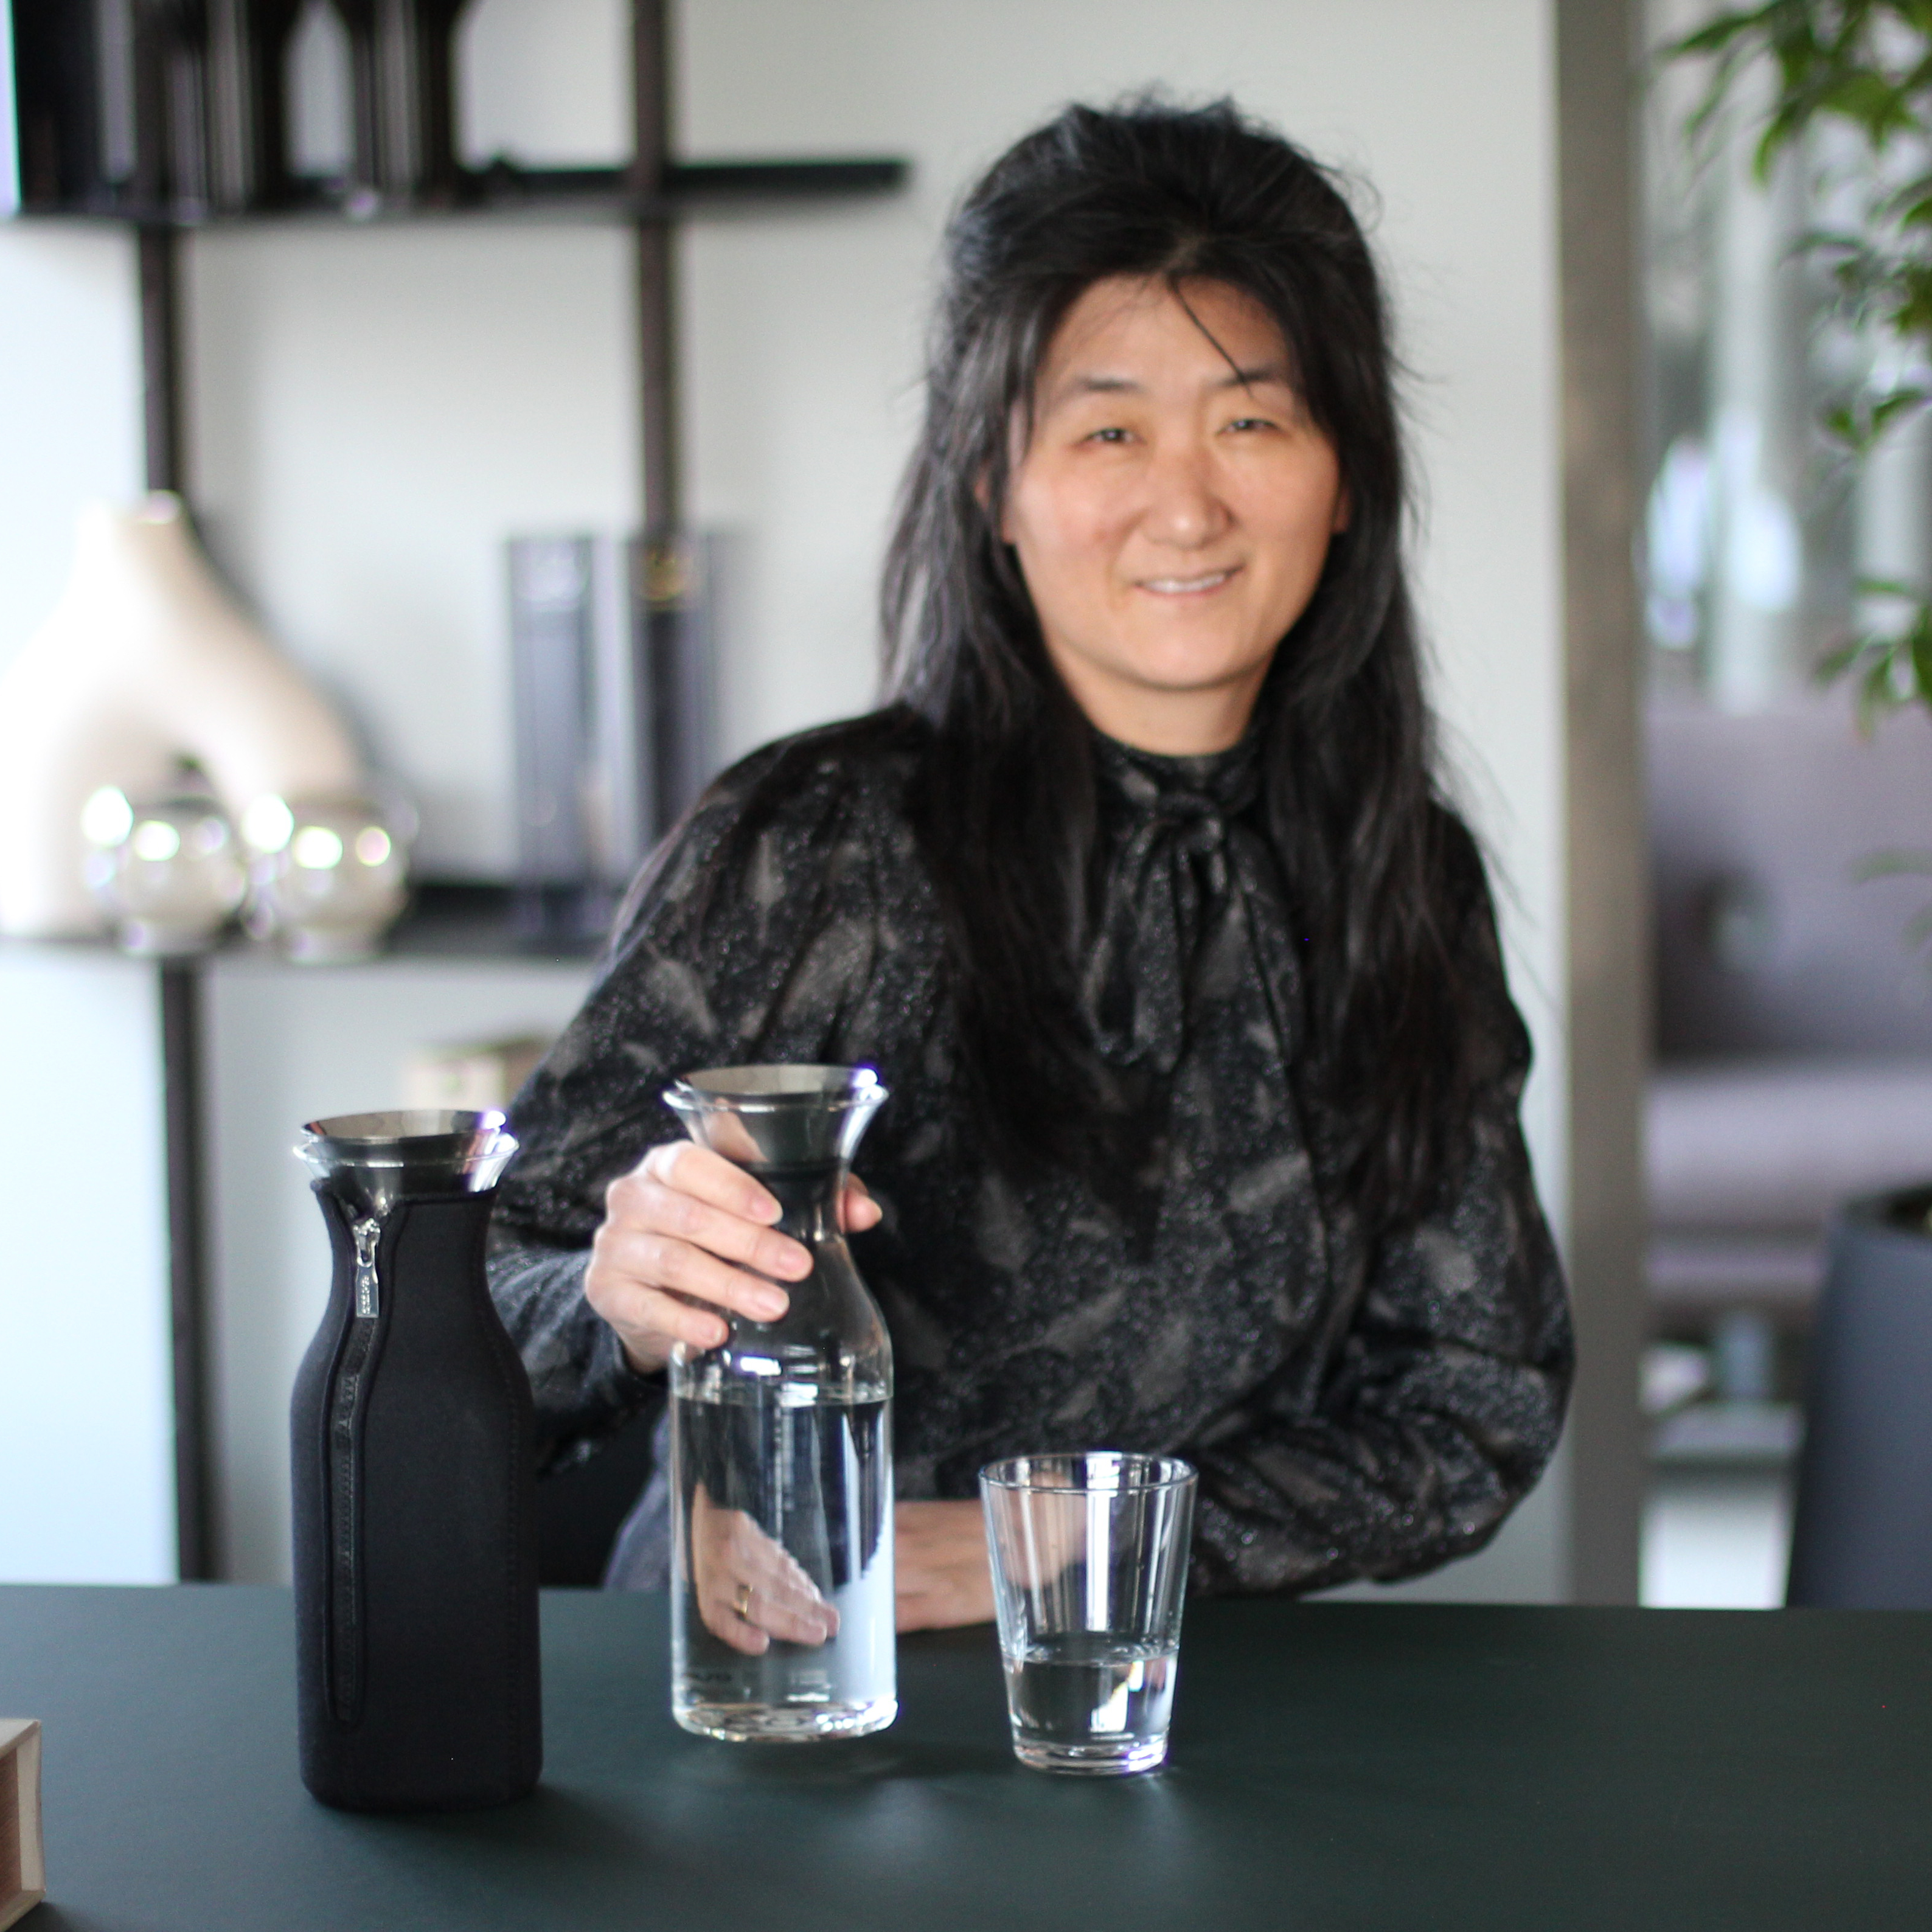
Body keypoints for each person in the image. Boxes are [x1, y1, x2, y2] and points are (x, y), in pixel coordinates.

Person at [488, 95, 1572, 1644]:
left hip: (1166, 1706)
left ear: (1346, 476)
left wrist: (1071, 1539)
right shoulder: (815, 844)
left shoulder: (1397, 869)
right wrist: (617, 1289)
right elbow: (475, 1305)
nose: (1186, 505)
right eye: (1108, 429)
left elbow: (1476, 1401)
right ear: (991, 480)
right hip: (788, 1682)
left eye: (1252, 422)